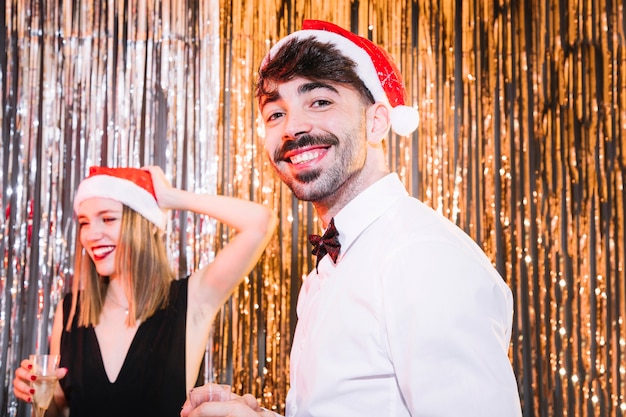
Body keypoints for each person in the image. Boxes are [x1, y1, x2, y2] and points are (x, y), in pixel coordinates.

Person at [182, 19, 523, 417]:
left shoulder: (423, 258)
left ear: (376, 122)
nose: (293, 127)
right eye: (275, 113)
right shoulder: (330, 266)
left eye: (320, 102)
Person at [13, 165, 277, 417]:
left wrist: (170, 197)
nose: (92, 234)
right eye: (84, 222)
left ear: (148, 223)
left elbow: (260, 223)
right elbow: (63, 411)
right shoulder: (71, 310)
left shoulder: (191, 299)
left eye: (107, 218)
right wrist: (37, 393)